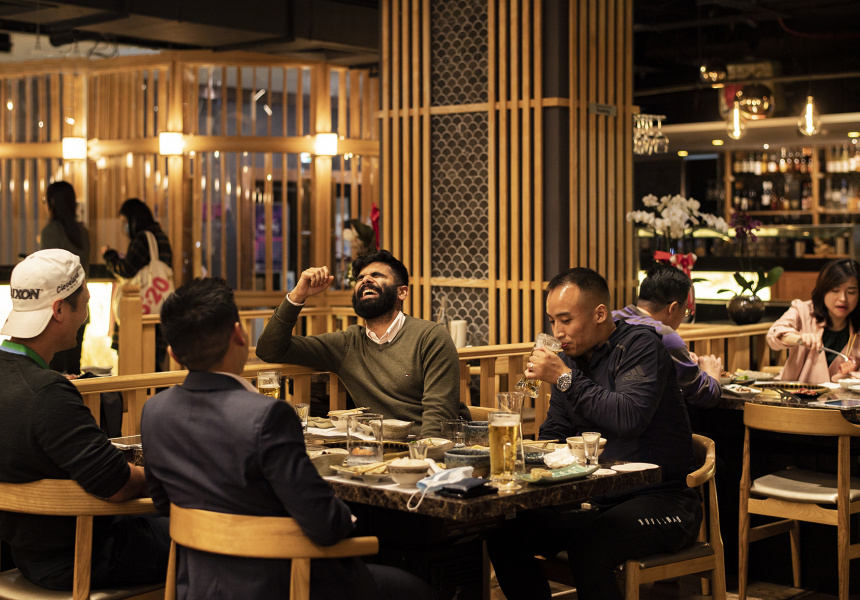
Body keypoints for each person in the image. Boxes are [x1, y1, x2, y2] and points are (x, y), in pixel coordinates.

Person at [141, 277, 436, 600]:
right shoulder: (267, 416)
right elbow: (326, 525)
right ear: (239, 335)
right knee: (418, 590)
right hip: (283, 584)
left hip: (197, 585)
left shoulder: (154, 411)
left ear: (172, 353)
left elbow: (163, 504)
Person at [486, 267, 701, 600]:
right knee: (504, 532)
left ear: (600, 314)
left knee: (589, 546)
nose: (557, 332)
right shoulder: (570, 362)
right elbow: (555, 432)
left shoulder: (641, 346)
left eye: (566, 320)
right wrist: (528, 451)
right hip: (597, 499)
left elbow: (629, 417)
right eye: (552, 321)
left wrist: (564, 379)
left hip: (663, 499)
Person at [0, 249, 169, 591]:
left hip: (23, 553)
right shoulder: (47, 394)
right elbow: (119, 485)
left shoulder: (21, 380)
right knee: (213, 534)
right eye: (86, 303)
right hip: (82, 555)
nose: (88, 315)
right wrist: (171, 473)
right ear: (60, 310)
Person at [255, 249, 469, 436]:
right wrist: (298, 295)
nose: (365, 280)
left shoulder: (431, 336)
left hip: (427, 449)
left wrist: (418, 459)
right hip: (378, 446)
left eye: (376, 275)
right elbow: (269, 350)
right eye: (360, 278)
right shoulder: (346, 344)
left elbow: (439, 418)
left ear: (402, 292)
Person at [613, 263, 722, 408]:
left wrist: (682, 358)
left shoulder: (612, 319)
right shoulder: (663, 335)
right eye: (685, 311)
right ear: (673, 308)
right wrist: (712, 372)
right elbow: (705, 394)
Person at [101, 198, 173, 370]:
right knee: (153, 366)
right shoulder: (160, 236)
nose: (124, 226)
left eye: (125, 221)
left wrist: (110, 256)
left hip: (140, 316)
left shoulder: (143, 238)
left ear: (134, 219)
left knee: (138, 365)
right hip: (158, 311)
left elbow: (127, 269)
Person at [767, 258, 860, 383]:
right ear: (823, 290)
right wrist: (800, 338)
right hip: (797, 393)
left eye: (851, 292)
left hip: (846, 395)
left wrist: (851, 378)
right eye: (835, 290)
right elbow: (773, 335)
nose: (843, 298)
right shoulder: (803, 310)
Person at [40, 180, 91, 375]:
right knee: (74, 369)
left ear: (53, 202)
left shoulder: (50, 232)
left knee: (55, 373)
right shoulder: (83, 232)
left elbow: (48, 274)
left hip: (58, 312)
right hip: (81, 307)